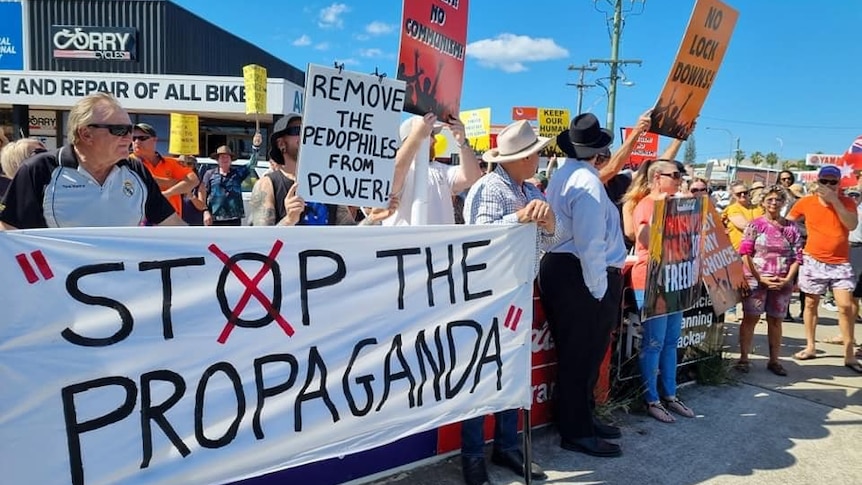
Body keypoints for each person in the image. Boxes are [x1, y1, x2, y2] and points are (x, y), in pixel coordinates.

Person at [459, 120, 553, 485]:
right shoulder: (489, 187)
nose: (539, 158)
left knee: (512, 372)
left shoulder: (529, 190)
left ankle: (506, 445)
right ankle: (474, 455)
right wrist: (521, 218)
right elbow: (480, 237)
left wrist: (546, 224)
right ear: (521, 157)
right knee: (481, 374)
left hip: (516, 290)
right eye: (534, 154)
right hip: (489, 294)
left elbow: (553, 238)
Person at [539, 113, 624, 458]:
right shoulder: (586, 182)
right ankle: (577, 430)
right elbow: (591, 242)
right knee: (582, 355)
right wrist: (599, 288)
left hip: (565, 268)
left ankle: (581, 418)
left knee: (580, 355)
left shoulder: (564, 174)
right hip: (582, 272)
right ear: (599, 152)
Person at [0, 93, 182, 229]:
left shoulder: (136, 170)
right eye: (120, 130)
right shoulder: (40, 170)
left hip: (123, 278)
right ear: (86, 134)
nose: (129, 138)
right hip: (60, 279)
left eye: (130, 130)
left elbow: (174, 226)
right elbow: (10, 234)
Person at [627, 159, 696, 423]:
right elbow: (645, 239)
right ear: (657, 177)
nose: (680, 180)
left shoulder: (676, 204)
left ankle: (670, 394)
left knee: (670, 340)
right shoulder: (646, 204)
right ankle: (651, 398)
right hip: (653, 279)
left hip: (674, 278)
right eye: (675, 175)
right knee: (654, 342)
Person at [787, 165, 862, 373]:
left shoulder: (847, 202)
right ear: (817, 182)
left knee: (845, 306)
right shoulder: (806, 202)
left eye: (833, 182)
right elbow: (788, 222)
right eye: (824, 181)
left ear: (839, 184)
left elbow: (851, 225)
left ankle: (849, 353)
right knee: (811, 304)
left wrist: (835, 201)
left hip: (840, 262)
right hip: (814, 259)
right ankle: (810, 346)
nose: (828, 185)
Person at [736, 185, 803, 376]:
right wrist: (760, 278)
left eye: (778, 199)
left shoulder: (791, 227)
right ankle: (744, 358)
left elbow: (798, 256)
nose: (774, 203)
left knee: (776, 320)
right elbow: (745, 254)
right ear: (763, 202)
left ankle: (774, 360)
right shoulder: (755, 225)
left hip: (782, 281)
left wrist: (787, 279)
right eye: (770, 199)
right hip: (756, 280)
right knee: (751, 318)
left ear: (784, 202)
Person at [249, 114, 355, 226]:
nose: (306, 135)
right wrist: (289, 220)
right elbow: (261, 241)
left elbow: (351, 238)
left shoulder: (328, 183)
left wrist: (372, 218)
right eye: (297, 130)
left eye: (309, 130)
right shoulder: (267, 184)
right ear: (281, 144)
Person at [382, 113, 483, 226]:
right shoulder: (398, 169)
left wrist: (462, 142)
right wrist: (417, 136)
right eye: (431, 134)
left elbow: (471, 178)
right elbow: (392, 183)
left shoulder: (440, 169)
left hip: (440, 243)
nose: (435, 141)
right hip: (406, 243)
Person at [129, 123, 199, 217]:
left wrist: (167, 193)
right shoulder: (127, 163)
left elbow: (193, 181)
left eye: (142, 138)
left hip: (172, 221)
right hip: (141, 220)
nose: (136, 141)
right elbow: (149, 181)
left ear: (154, 140)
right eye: (133, 138)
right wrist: (180, 183)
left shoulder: (171, 162)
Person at [198, 138, 260, 226]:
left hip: (234, 218)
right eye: (222, 157)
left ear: (231, 160)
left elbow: (252, 164)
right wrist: (205, 211)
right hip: (214, 218)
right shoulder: (209, 174)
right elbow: (201, 193)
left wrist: (256, 147)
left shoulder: (237, 173)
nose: (225, 159)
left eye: (227, 157)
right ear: (217, 160)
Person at [722, 181, 764, 251]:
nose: (742, 195)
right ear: (733, 195)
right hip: (739, 251)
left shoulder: (759, 208)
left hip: (759, 250)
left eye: (745, 192)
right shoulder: (732, 209)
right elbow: (746, 227)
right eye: (738, 194)